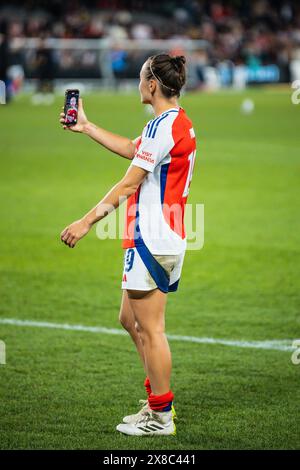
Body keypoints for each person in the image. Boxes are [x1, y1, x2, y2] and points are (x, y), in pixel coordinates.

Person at [59, 53, 197, 436]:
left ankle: (161, 416)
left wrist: (86, 222)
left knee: (151, 328)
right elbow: (131, 149)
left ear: (152, 85)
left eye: (140, 78)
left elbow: (128, 183)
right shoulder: (174, 123)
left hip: (153, 236)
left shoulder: (161, 127)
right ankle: (156, 401)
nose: (138, 84)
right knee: (130, 319)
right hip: (161, 234)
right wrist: (86, 127)